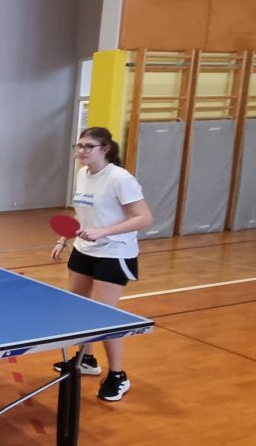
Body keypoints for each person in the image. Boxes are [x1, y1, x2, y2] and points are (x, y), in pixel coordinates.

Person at [51, 126, 154, 402]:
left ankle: (118, 375)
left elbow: (145, 218)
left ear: (105, 149)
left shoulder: (120, 178)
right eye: (79, 146)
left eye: (88, 146)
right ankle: (86, 359)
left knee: (106, 316)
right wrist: (63, 239)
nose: (81, 151)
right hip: (84, 248)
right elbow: (82, 213)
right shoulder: (83, 174)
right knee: (80, 306)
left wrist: (103, 232)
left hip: (114, 251)